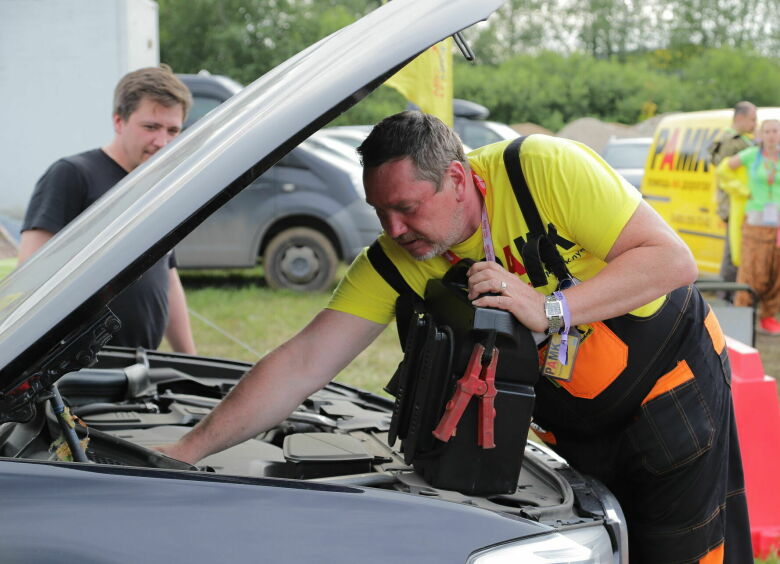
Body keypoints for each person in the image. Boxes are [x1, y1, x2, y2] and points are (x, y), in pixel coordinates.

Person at [158, 111, 752, 563]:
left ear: (459, 178)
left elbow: (671, 260)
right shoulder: (395, 257)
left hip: (670, 389)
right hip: (575, 425)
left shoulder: (541, 171)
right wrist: (188, 450)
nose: (394, 229)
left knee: (684, 552)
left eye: (407, 207)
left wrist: (550, 307)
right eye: (379, 211)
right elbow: (303, 361)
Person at [18, 65, 197, 354]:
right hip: (80, 370)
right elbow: (31, 273)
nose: (162, 142)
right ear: (118, 121)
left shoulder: (158, 188)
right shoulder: (72, 174)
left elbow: (167, 275)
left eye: (172, 130)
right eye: (151, 127)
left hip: (140, 364)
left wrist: (190, 359)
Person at [720, 118, 780, 336]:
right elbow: (723, 170)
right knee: (752, 269)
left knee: (776, 271)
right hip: (756, 221)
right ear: (761, 134)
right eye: (768, 131)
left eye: (776, 131)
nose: (773, 135)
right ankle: (743, 314)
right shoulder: (751, 155)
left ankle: (768, 315)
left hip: (778, 224)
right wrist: (741, 189)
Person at [708, 101, 757, 300]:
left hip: (743, 203)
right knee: (732, 254)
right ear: (740, 118)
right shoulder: (731, 140)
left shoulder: (744, 140)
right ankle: (726, 297)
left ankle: (729, 295)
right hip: (734, 203)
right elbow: (724, 173)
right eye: (752, 119)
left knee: (736, 251)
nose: (755, 124)